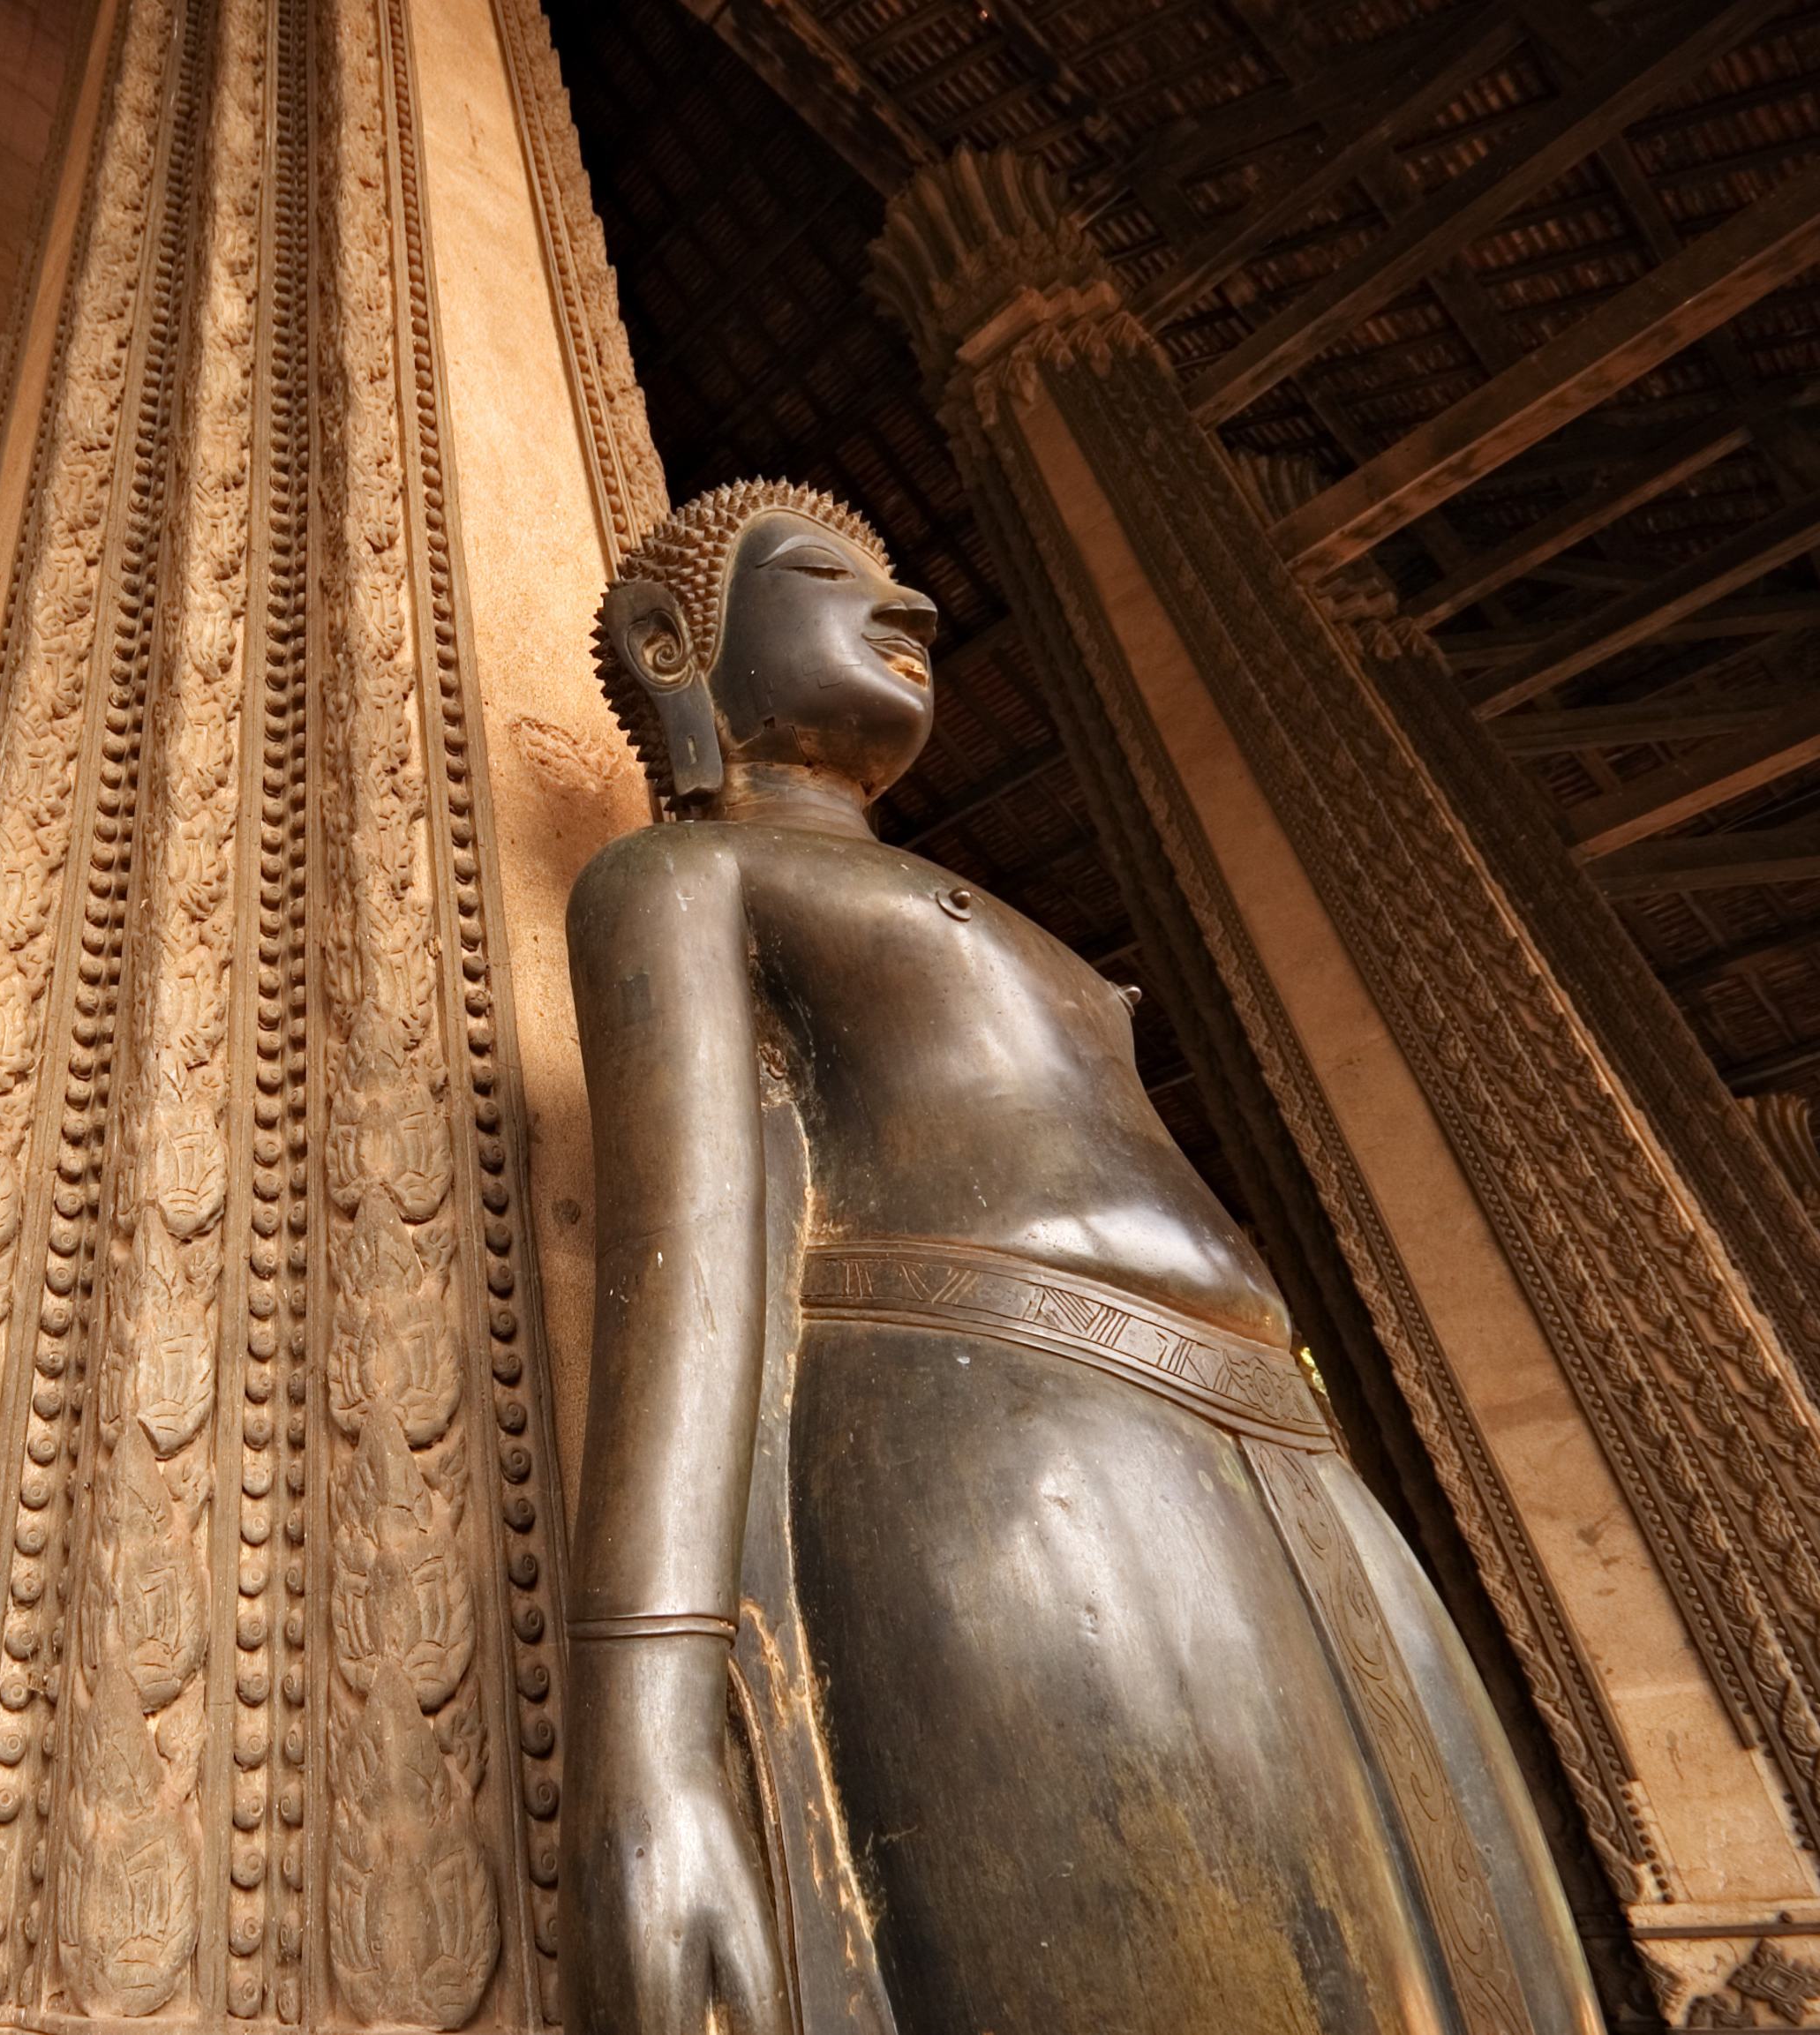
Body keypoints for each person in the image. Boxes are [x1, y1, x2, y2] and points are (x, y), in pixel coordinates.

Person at [559, 479, 1602, 2035]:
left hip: (1283, 1451)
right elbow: (693, 1286)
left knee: (1465, 1959)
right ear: (671, 644)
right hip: (1014, 1445)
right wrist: (647, 1747)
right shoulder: (688, 878)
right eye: (830, 573)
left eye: (901, 578)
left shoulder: (1015, 928)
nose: (907, 610)